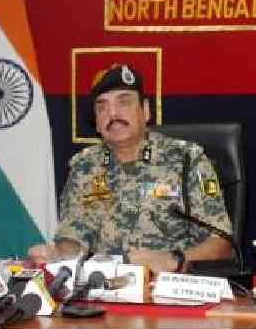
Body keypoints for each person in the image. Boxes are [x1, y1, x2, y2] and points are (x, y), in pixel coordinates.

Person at [29, 64, 232, 273]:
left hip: (172, 291)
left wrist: (174, 260)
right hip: (105, 291)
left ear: (145, 111)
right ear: (97, 124)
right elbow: (74, 239)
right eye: (102, 107)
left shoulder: (187, 160)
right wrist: (57, 253)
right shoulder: (84, 167)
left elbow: (223, 245)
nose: (113, 113)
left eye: (124, 102)